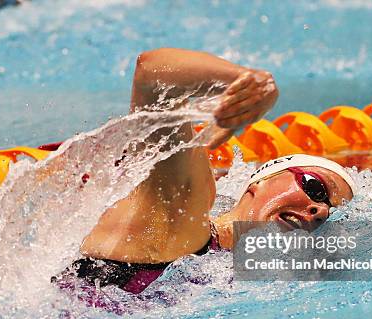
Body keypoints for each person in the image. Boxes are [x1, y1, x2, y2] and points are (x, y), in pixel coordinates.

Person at [52, 48, 356, 295]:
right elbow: (153, 74)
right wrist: (249, 81)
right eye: (316, 188)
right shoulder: (185, 211)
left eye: (331, 213)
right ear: (261, 181)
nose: (320, 211)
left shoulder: (222, 266)